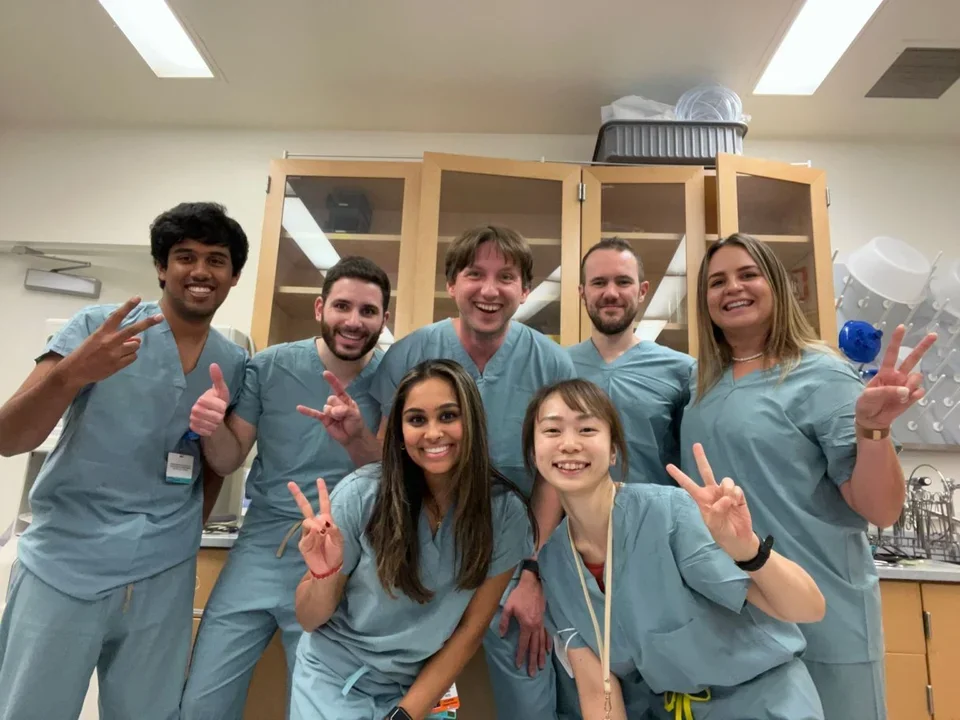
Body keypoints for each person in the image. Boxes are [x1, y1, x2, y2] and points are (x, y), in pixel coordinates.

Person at [309, 225, 577, 719]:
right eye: (475, 274)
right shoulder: (412, 352)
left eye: (507, 277)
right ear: (452, 284)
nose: (490, 290)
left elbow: (555, 477)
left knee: (529, 682)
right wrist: (353, 439)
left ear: (525, 289)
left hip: (508, 552)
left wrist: (532, 569)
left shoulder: (550, 363)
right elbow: (391, 465)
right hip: (424, 555)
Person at [0, 202, 250, 720]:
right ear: (162, 267)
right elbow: (9, 438)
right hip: (67, 561)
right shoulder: (98, 327)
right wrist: (71, 373)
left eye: (216, 260)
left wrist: (182, 537)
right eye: (185, 256)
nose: (201, 271)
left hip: (164, 570)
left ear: (233, 276)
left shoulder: (232, 361)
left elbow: (212, 467)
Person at [678, 233, 937, 720]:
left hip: (824, 615)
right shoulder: (700, 386)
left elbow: (881, 509)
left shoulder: (823, 376)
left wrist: (874, 429)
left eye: (748, 274)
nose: (732, 288)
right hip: (734, 616)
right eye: (717, 281)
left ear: (776, 285)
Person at [525, 378, 827, 720]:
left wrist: (749, 551)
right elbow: (599, 693)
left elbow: (809, 608)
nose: (568, 444)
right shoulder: (556, 566)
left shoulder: (668, 515)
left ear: (613, 450)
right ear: (534, 453)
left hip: (762, 703)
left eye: (587, 429)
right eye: (552, 431)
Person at [180, 256, 391, 719]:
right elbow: (229, 457)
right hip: (263, 545)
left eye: (368, 311)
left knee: (317, 705)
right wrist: (210, 426)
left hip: (342, 553)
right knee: (202, 699)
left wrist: (357, 436)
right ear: (320, 308)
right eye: (342, 306)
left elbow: (390, 479)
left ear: (384, 319)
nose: (354, 321)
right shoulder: (271, 367)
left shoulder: (393, 378)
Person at [288, 359, 536, 720]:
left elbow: (469, 631)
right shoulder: (362, 496)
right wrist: (324, 576)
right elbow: (309, 620)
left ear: (473, 422)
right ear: (401, 433)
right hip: (333, 679)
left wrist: (404, 714)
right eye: (417, 420)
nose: (433, 433)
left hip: (420, 686)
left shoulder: (505, 514)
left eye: (449, 416)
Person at [570, 237, 694, 483]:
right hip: (572, 519)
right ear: (582, 293)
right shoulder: (556, 367)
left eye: (623, 282)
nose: (611, 293)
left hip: (658, 517)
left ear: (642, 291)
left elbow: (692, 463)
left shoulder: (682, 371)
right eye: (598, 282)